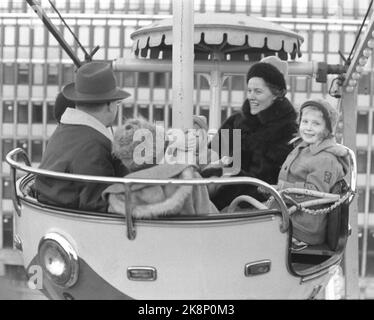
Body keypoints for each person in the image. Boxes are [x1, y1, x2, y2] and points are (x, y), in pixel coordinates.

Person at [35, 61, 130, 212]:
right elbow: (101, 204)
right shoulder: (95, 145)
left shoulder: (63, 130)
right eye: (117, 103)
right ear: (109, 105)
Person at [206, 61, 298, 210]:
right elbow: (210, 156)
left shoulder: (288, 132)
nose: (251, 96)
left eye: (258, 91)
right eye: (249, 90)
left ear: (276, 94)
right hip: (218, 197)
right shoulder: (236, 121)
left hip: (256, 208)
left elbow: (271, 181)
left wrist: (229, 173)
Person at [102, 118, 218, 218]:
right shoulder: (191, 180)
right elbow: (212, 221)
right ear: (162, 148)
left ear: (122, 159)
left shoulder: (117, 195)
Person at [272, 99, 349, 247]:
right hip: (288, 211)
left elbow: (315, 193)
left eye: (316, 124)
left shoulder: (326, 159)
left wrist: (281, 188)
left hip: (303, 225)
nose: (308, 128)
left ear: (328, 129)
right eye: (305, 121)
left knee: (242, 223)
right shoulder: (302, 147)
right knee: (235, 211)